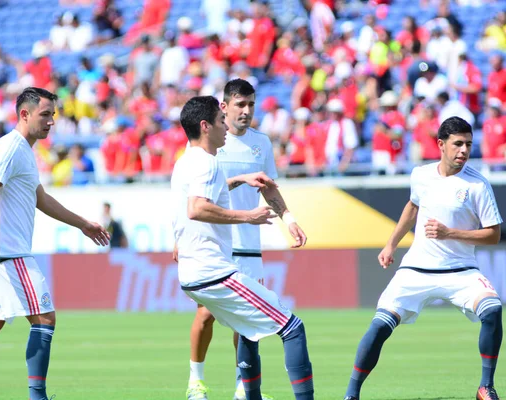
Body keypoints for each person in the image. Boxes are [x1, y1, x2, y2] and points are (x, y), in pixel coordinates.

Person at [0, 87, 110, 400]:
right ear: (24, 114)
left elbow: (41, 199)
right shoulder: (10, 148)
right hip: (8, 253)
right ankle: (38, 397)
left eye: (53, 115)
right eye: (45, 115)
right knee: (45, 318)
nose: (51, 121)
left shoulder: (24, 150)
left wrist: (83, 224)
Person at [343, 116, 503, 400]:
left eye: (468, 144)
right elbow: (412, 207)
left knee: (492, 310)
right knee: (380, 325)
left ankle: (485, 387)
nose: (464, 150)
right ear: (441, 145)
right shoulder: (421, 175)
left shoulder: (478, 184)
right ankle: (351, 394)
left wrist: (450, 233)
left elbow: (493, 234)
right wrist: (390, 245)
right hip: (416, 270)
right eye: (457, 144)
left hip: (461, 271)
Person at [173, 95, 314, 400]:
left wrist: (241, 179)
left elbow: (203, 196)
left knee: (250, 329)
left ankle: (246, 394)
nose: (225, 125)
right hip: (212, 270)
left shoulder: (187, 161)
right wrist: (247, 216)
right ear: (205, 125)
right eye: (220, 119)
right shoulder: (208, 162)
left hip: (194, 271)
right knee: (292, 328)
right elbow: (196, 208)